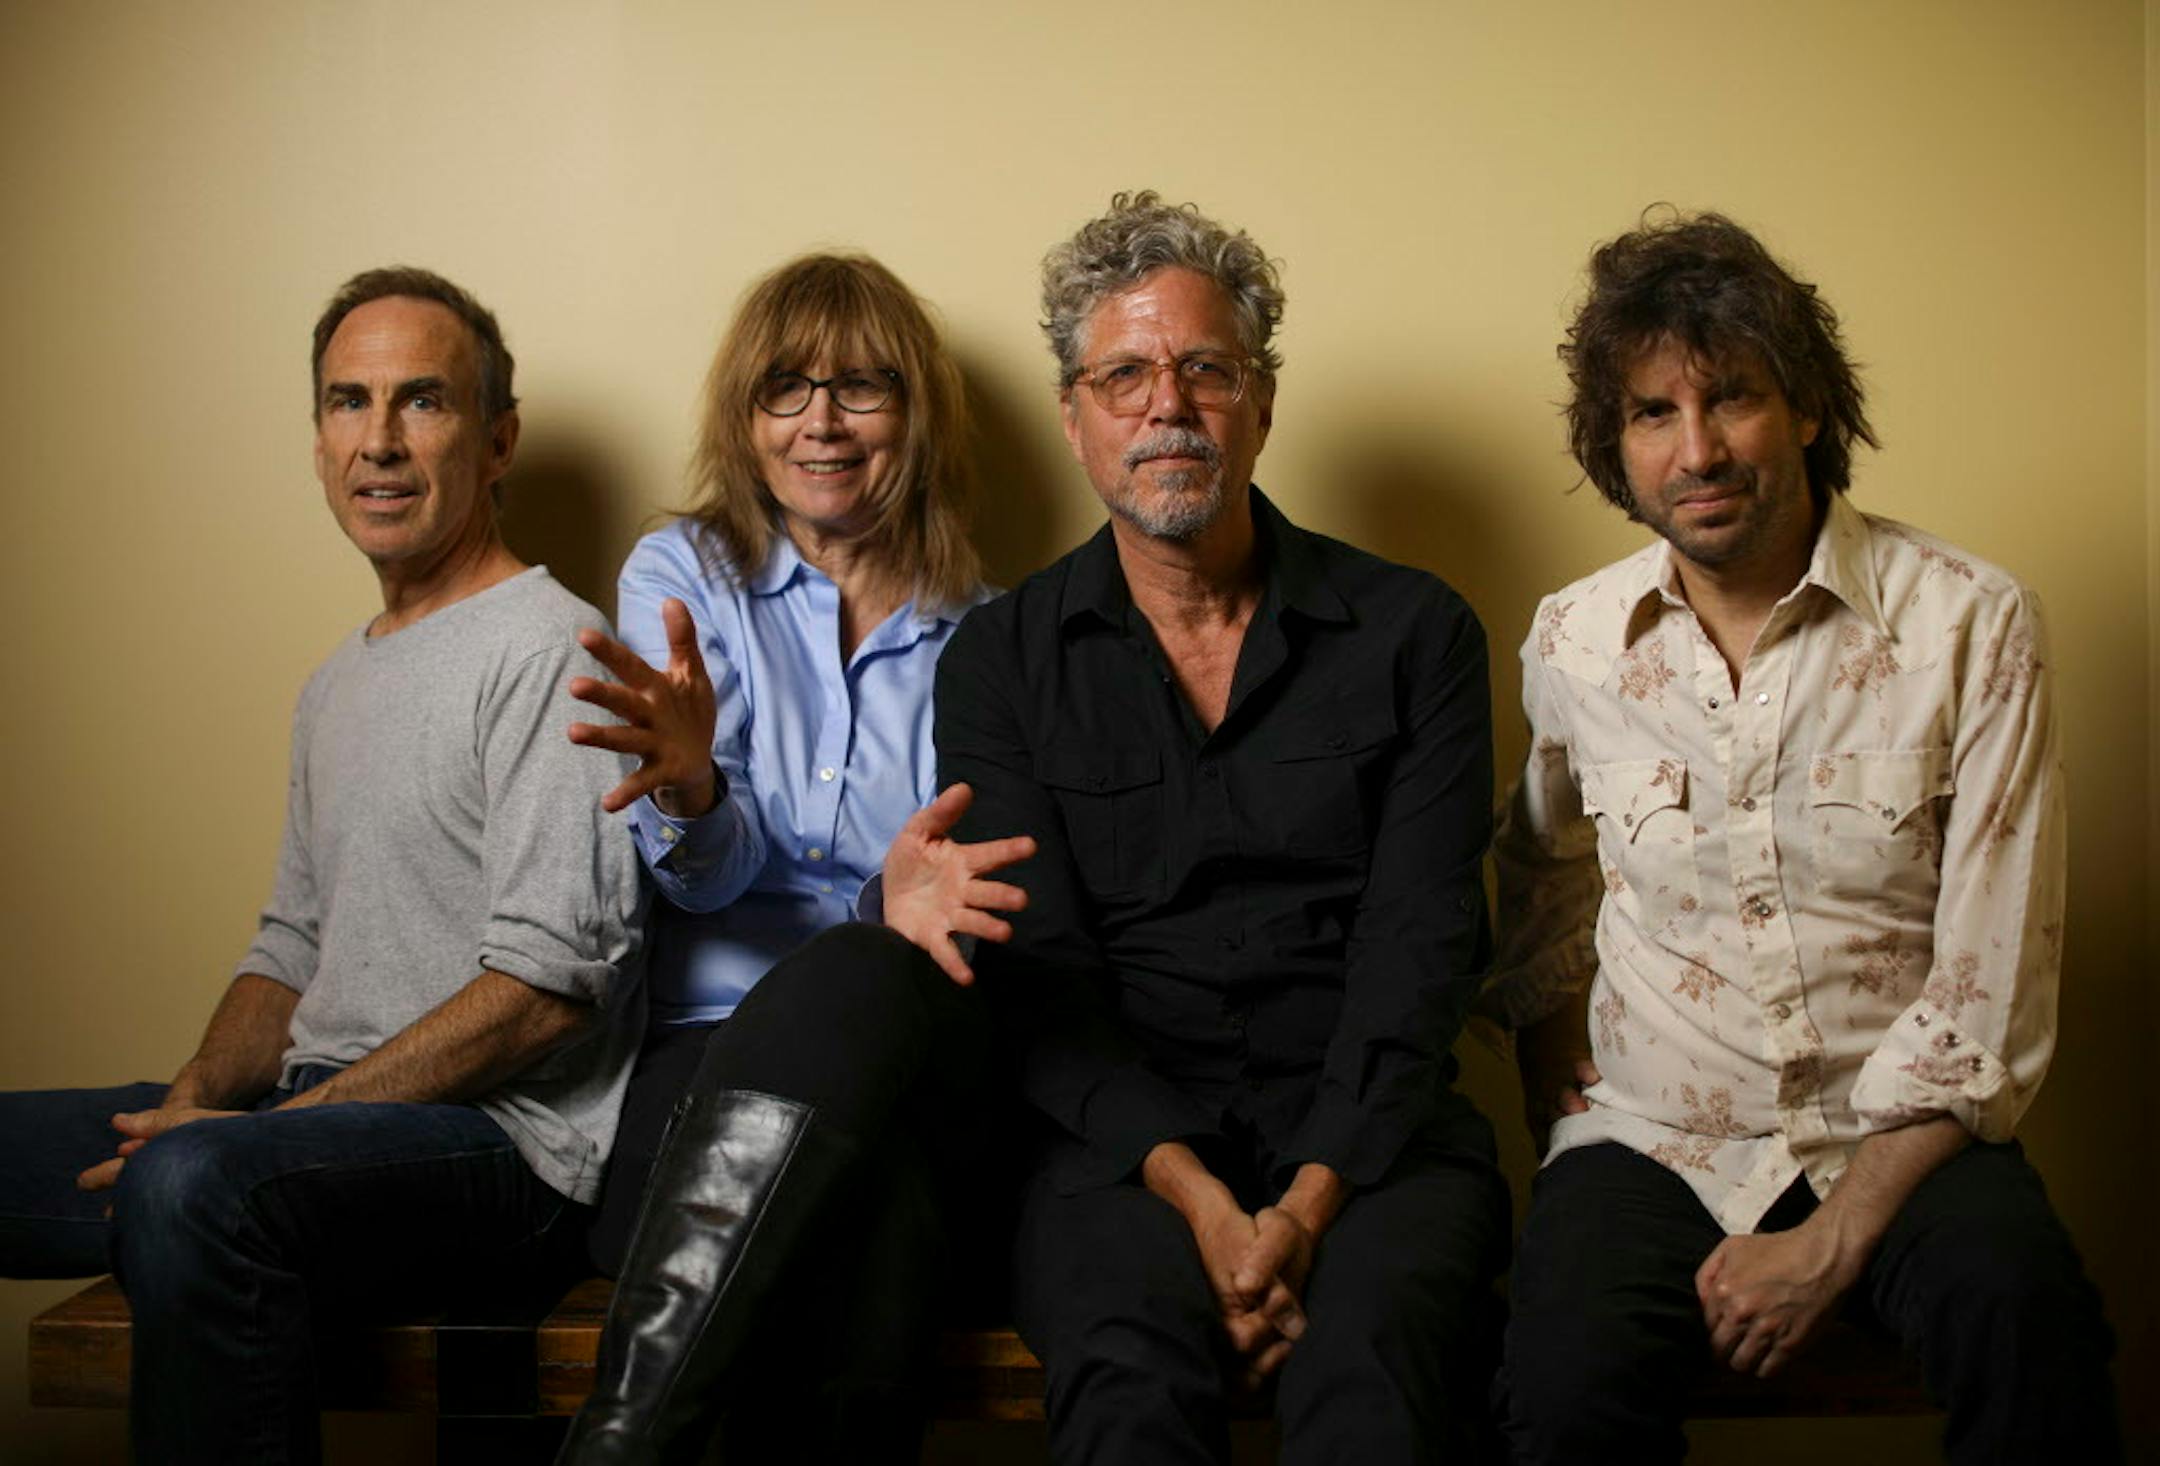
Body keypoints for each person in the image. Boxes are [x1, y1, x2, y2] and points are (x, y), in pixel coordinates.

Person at [1484, 210, 2120, 1463]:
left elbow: (1992, 979)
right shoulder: (1573, 639)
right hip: (1652, 1134)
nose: (1698, 450)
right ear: (1616, 445)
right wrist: (1548, 1027)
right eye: (1653, 412)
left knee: (2035, 1331)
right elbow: (1542, 860)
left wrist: (1834, 1239)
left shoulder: (1971, 624)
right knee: (1554, 1390)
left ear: (1810, 407)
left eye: (1733, 397)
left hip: (1905, 1131)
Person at [0, 267, 648, 1465]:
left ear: (497, 441)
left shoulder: (557, 649)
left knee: (193, 1184)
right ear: (318, 443)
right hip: (321, 1123)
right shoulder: (336, 683)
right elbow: (293, 945)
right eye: (350, 401)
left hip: (502, 1152)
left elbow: (546, 993)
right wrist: (198, 1095)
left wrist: (262, 1133)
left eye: (423, 400)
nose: (380, 440)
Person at [933, 191, 1509, 1465]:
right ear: (1075, 417)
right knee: (1129, 1384)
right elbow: (1039, 981)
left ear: (1262, 400)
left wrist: (1302, 1207)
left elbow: (1420, 954)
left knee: (1376, 1378)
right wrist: (1201, 1199)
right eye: (1125, 375)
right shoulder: (998, 662)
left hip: (1376, 1140)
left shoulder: (1417, 634)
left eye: (1207, 368)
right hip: (1112, 1150)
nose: (1169, 406)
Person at [554, 252, 1032, 1465]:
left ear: (914, 416)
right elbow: (702, 879)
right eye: (786, 387)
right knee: (878, 1224)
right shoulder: (683, 577)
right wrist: (696, 789)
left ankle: (620, 1446)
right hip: (702, 1063)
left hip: (908, 1064)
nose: (821, 420)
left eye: (861, 386)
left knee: (868, 971)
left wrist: (884, 908)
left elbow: (952, 903)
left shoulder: (992, 634)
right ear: (746, 416)